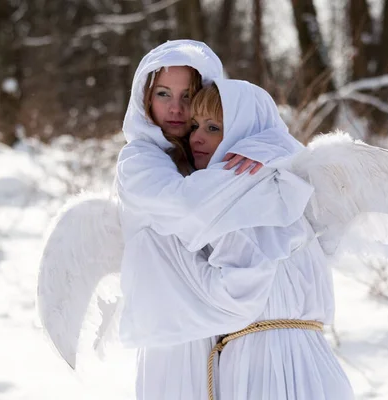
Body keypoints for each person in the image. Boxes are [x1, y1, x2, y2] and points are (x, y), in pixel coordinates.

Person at [118, 77, 355, 400]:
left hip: (263, 371)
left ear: (244, 133)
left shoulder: (237, 200)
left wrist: (176, 270)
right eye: (195, 127)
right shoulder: (288, 191)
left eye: (214, 128)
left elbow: (238, 297)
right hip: (314, 366)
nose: (197, 138)